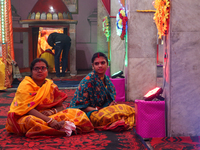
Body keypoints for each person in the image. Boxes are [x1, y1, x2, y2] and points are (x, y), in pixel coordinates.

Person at [5, 58, 94, 138]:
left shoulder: (50, 85)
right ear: (31, 71)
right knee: (31, 121)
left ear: (47, 71)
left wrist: (52, 112)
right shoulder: (25, 85)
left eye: (43, 68)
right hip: (28, 116)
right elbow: (27, 109)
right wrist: (50, 121)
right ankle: (61, 127)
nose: (40, 71)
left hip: (48, 116)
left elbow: (60, 107)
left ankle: (57, 128)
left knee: (77, 113)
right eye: (36, 69)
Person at [69, 52, 135, 132]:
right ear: (93, 66)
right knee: (108, 116)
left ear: (107, 64)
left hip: (103, 109)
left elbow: (109, 98)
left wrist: (110, 104)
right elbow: (80, 106)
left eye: (103, 63)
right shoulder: (87, 81)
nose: (100, 66)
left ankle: (117, 123)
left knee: (129, 109)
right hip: (87, 113)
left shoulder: (106, 79)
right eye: (97, 64)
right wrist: (97, 109)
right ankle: (117, 123)